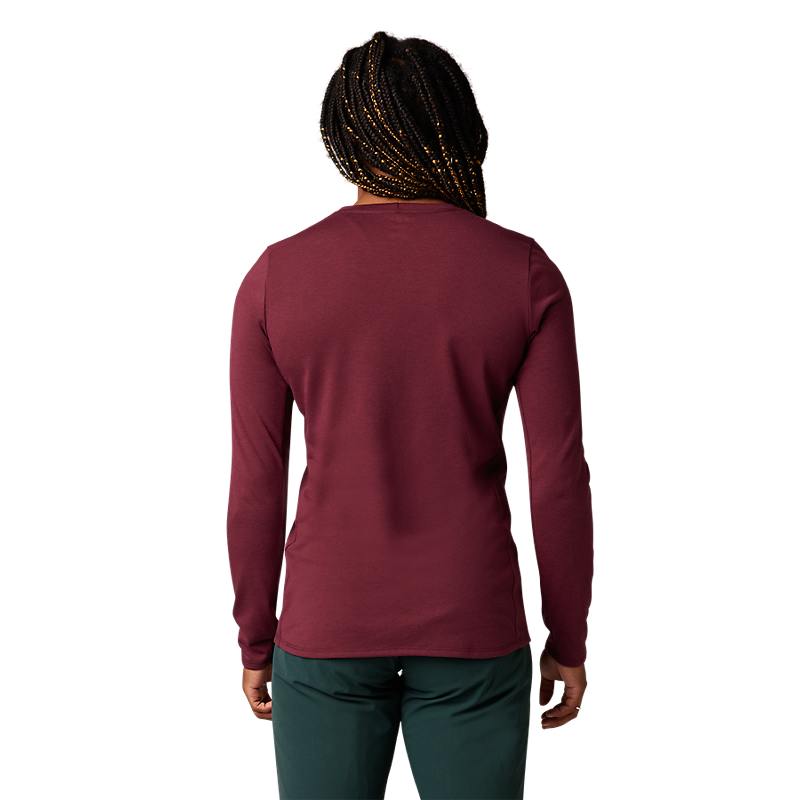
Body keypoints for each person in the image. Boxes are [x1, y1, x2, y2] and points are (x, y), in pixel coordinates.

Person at [227, 30, 593, 800]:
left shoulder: (275, 277)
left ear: (342, 137)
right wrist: (569, 634)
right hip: (473, 624)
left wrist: (256, 636)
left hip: (327, 626)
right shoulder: (524, 272)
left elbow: (256, 482)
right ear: (457, 127)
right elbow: (559, 477)